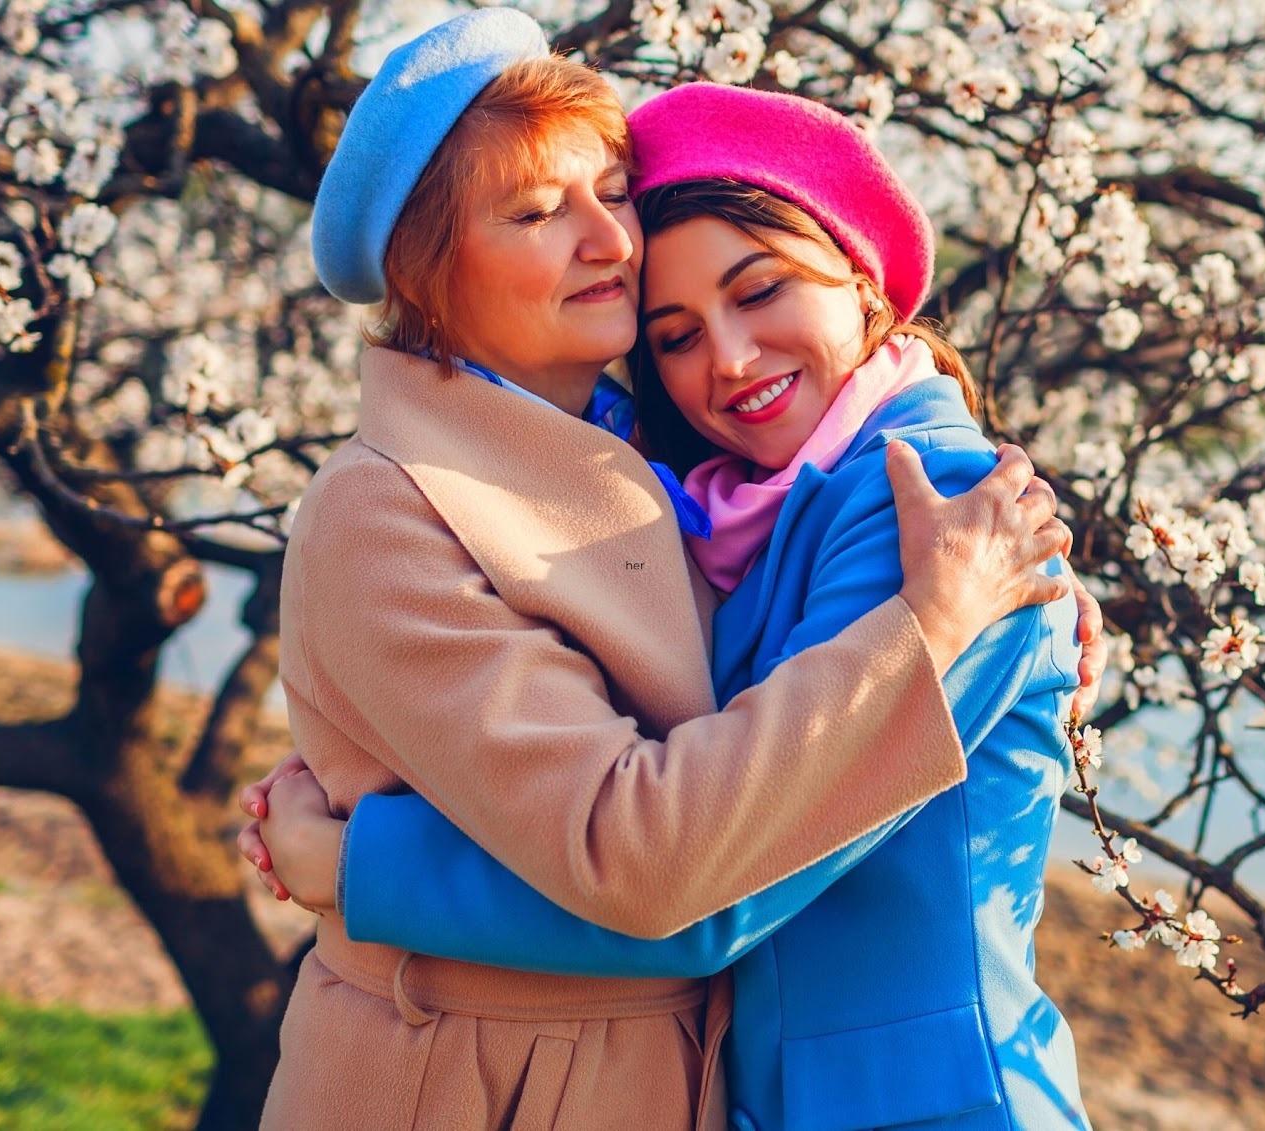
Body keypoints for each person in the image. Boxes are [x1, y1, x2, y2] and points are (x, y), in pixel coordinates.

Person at [253, 10, 1097, 1130]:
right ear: (426, 275)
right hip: (480, 1089)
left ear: (863, 279)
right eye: (538, 212)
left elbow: (693, 859)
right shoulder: (418, 500)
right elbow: (651, 847)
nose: (609, 240)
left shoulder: (901, 507)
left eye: (612, 193)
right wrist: (940, 626)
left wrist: (362, 865)